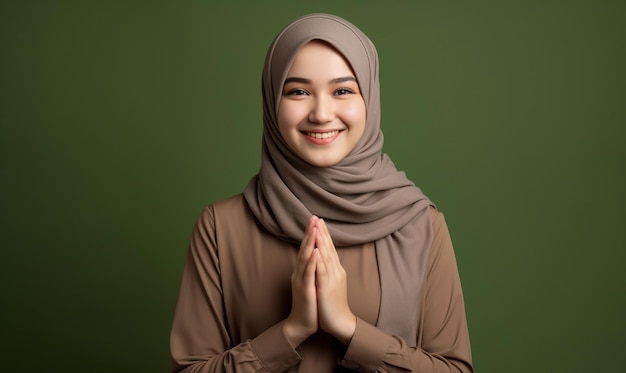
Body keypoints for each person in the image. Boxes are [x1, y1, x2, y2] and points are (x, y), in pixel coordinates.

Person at [170, 13, 473, 373]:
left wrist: (349, 328)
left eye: (343, 90)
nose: (321, 113)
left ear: (369, 100)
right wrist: (290, 331)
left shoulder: (421, 225)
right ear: (271, 101)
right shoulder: (222, 227)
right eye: (298, 91)